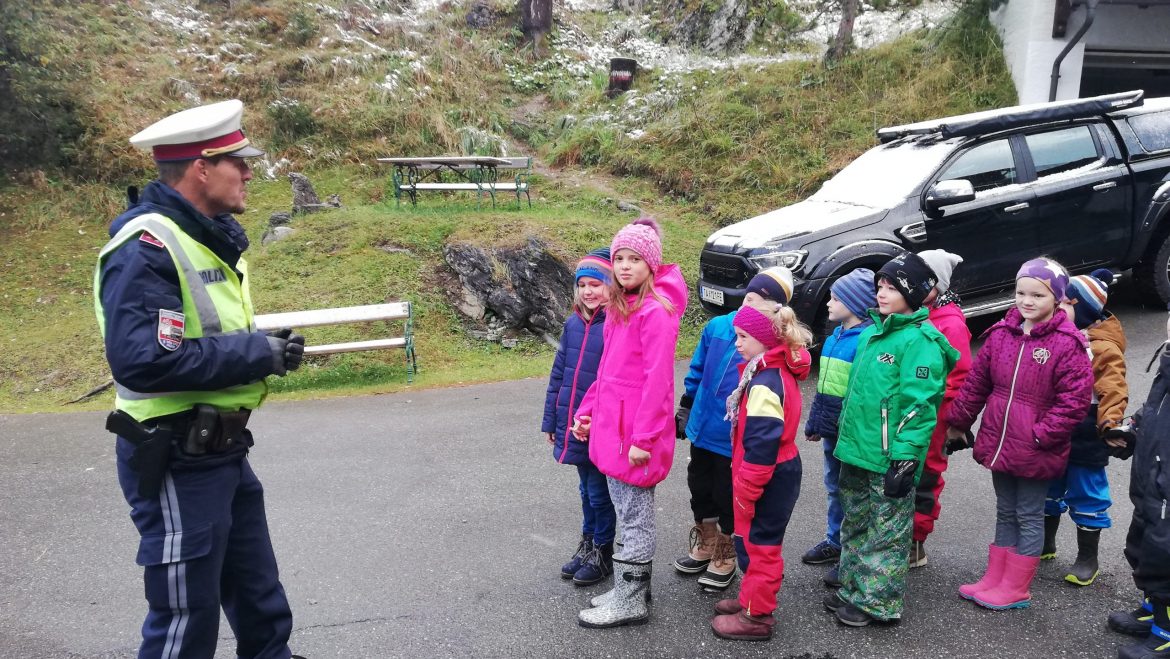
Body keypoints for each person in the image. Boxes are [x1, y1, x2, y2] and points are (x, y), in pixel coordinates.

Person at [94, 100, 306, 658]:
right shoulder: (147, 245)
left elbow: (202, 336)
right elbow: (145, 361)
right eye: (238, 160)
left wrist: (265, 351)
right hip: (176, 452)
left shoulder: (205, 235)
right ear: (201, 167)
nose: (250, 171)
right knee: (187, 619)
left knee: (261, 601)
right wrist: (253, 352)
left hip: (222, 450)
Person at [946, 258, 1093, 611]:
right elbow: (977, 382)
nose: (1027, 301)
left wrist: (1040, 436)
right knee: (1005, 510)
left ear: (1056, 298)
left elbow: (1074, 402)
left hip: (1035, 447)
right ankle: (995, 578)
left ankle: (1015, 587)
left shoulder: (1066, 343)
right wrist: (959, 421)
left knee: (1028, 513)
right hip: (1000, 441)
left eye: (1037, 295)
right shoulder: (1001, 334)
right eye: (1021, 293)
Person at [823, 252, 959, 628]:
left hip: (889, 457)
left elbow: (921, 406)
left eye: (892, 287)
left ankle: (877, 602)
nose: (882, 293)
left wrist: (905, 458)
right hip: (857, 450)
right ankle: (853, 588)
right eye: (880, 286)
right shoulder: (871, 333)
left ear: (914, 293)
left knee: (886, 533)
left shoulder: (921, 342)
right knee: (857, 523)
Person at [572, 217, 688, 628]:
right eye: (619, 257)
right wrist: (586, 412)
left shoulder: (655, 313)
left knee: (636, 516)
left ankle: (632, 600)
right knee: (625, 511)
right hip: (612, 430)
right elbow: (607, 374)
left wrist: (644, 438)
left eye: (634, 258)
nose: (623, 266)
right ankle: (628, 588)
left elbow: (658, 383)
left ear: (651, 265)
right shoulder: (621, 308)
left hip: (633, 437)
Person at [673, 266, 798, 593]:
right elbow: (698, 368)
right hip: (703, 427)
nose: (748, 304)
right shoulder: (717, 326)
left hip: (734, 440)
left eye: (759, 301)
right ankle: (707, 540)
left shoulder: (770, 346)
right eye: (749, 297)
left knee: (727, 494)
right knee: (699, 487)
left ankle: (725, 553)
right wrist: (686, 405)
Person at [709, 298, 812, 641]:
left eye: (742, 337)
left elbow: (763, 443)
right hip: (773, 470)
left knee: (760, 546)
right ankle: (749, 600)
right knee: (752, 542)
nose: (736, 343)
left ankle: (757, 618)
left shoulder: (766, 383)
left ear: (765, 340)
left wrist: (748, 489)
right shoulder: (767, 371)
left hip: (768, 474)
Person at [1043, 269, 1129, 587]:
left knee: (1087, 493)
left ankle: (1087, 558)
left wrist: (1110, 424)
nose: (1054, 308)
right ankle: (1046, 543)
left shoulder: (1103, 348)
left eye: (1063, 302)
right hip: (1053, 429)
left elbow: (1114, 389)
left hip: (1087, 430)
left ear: (1082, 309)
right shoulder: (1052, 336)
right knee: (1048, 486)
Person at [542, 248, 617, 587]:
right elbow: (559, 374)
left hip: (597, 426)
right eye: (583, 284)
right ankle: (588, 543)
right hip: (571, 422)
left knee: (600, 492)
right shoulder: (573, 323)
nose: (589, 291)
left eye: (596, 284)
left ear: (611, 286)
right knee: (586, 490)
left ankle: (603, 551)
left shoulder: (616, 325)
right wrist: (550, 421)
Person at [800, 268, 877, 590]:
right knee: (834, 486)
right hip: (832, 431)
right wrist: (816, 422)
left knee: (853, 492)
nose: (828, 304)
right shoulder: (834, 338)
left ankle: (852, 551)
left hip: (853, 434)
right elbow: (825, 389)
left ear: (856, 304)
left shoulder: (867, 341)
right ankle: (835, 539)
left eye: (835, 298)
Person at [1108, 309, 1170, 659]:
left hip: (1167, 486)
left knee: (1165, 557)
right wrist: (1134, 427)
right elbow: (1155, 407)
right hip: (1152, 478)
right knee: (1143, 545)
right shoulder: (1169, 359)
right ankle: (1152, 609)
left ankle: (1166, 632)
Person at [909, 250, 973, 568]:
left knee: (927, 476)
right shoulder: (913, 316)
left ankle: (915, 542)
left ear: (939, 287)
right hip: (909, 416)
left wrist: (945, 418)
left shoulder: (951, 326)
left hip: (934, 419)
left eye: (922, 282)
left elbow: (959, 379)